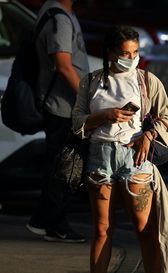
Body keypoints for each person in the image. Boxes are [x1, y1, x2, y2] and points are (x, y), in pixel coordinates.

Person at [72, 26, 168, 273]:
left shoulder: (146, 80)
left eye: (135, 52)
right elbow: (76, 124)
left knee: (144, 229)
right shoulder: (92, 81)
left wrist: (149, 135)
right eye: (125, 53)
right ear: (111, 52)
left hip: (135, 158)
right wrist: (105, 115)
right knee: (102, 229)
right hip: (99, 159)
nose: (132, 58)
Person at [26, 0, 89, 243]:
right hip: (63, 107)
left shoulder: (62, 12)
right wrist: (86, 100)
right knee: (64, 169)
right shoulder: (59, 18)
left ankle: (43, 221)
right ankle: (55, 225)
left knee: (62, 167)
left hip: (65, 105)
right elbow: (63, 66)